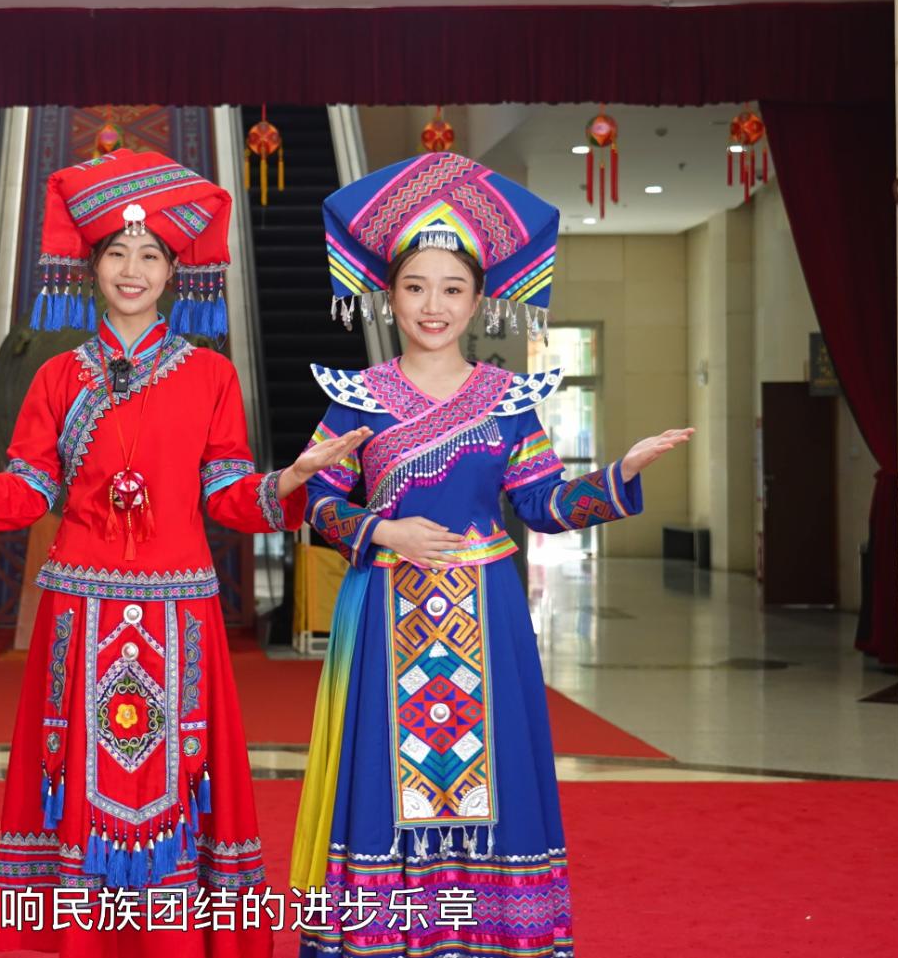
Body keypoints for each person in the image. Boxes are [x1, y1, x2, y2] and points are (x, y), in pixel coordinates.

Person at [0, 149, 364, 956]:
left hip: (180, 614)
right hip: (78, 614)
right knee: (80, 787)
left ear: (174, 272)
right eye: (117, 254)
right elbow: (28, 494)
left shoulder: (211, 376)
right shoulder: (57, 378)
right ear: (92, 267)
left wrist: (292, 481)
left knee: (178, 787)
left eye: (151, 255)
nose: (132, 270)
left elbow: (229, 496)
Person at [290, 153, 691, 958]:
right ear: (389, 295)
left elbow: (544, 504)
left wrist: (619, 474)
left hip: (488, 612)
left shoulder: (510, 402)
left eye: (451, 289)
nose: (432, 306)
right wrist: (383, 531)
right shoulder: (356, 399)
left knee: (494, 774)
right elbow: (316, 500)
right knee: (383, 776)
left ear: (478, 300)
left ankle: (489, 934)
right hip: (385, 608)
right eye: (415, 287)